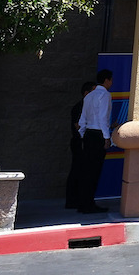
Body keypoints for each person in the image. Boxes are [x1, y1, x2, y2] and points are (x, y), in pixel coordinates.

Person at [76, 69, 113, 214]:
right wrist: (106, 137)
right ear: (107, 80)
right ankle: (89, 204)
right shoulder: (104, 95)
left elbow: (83, 118)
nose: (111, 83)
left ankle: (83, 203)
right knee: (94, 171)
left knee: (87, 171)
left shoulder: (89, 95)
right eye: (111, 80)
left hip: (88, 134)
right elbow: (103, 117)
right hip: (97, 134)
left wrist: (82, 133)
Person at [64, 81, 96, 209]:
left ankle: (81, 199)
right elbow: (78, 125)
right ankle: (72, 201)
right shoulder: (80, 107)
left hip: (86, 143)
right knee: (78, 171)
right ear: (86, 93)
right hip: (80, 143)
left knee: (85, 172)